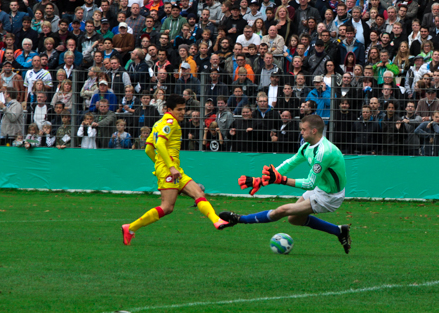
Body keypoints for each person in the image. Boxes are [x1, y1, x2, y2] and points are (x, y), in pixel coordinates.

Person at [219, 114, 352, 253]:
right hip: (322, 187)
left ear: (314, 131)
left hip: (330, 196)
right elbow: (289, 163)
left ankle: (239, 219)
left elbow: (309, 183)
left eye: (303, 129)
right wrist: (262, 180)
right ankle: (339, 231)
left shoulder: (324, 152)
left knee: (282, 211)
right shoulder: (307, 146)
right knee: (293, 219)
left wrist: (282, 180)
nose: (301, 132)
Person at [121, 94, 230, 245]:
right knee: (167, 207)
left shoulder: (159, 123)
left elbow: (148, 149)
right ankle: (130, 228)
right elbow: (159, 145)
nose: (183, 112)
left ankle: (217, 220)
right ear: (169, 110)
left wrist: (160, 164)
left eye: (184, 109)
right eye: (179, 110)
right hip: (170, 170)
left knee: (198, 192)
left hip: (173, 169)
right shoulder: (170, 123)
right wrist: (169, 167)